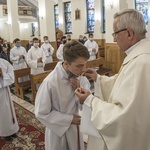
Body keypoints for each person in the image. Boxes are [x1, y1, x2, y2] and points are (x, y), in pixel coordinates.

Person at [75, 9, 150, 150]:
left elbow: (125, 117)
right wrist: (99, 79)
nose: (114, 39)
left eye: (115, 33)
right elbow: (123, 83)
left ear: (129, 33)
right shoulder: (140, 55)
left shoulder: (142, 61)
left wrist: (90, 100)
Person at [35, 40, 91, 150]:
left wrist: (79, 91)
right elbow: (41, 112)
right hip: (57, 130)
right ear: (66, 63)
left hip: (75, 128)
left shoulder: (81, 79)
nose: (84, 69)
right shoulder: (50, 82)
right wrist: (69, 119)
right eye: (79, 66)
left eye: (85, 64)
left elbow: (86, 105)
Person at [0, 58, 19, 141]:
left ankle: (11, 130)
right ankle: (4, 132)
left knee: (8, 111)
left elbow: (12, 76)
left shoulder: (4, 62)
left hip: (4, 91)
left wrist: (2, 75)